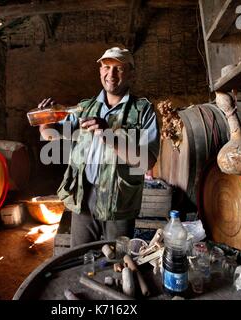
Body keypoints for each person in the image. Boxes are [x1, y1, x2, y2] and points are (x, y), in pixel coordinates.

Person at [38, 47, 160, 247]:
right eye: (106, 67)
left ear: (131, 73)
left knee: (118, 263)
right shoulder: (85, 108)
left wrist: (108, 135)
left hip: (119, 202)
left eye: (118, 68)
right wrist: (44, 119)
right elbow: (50, 136)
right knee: (79, 259)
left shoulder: (143, 111)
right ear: (100, 71)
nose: (111, 74)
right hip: (84, 196)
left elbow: (147, 161)